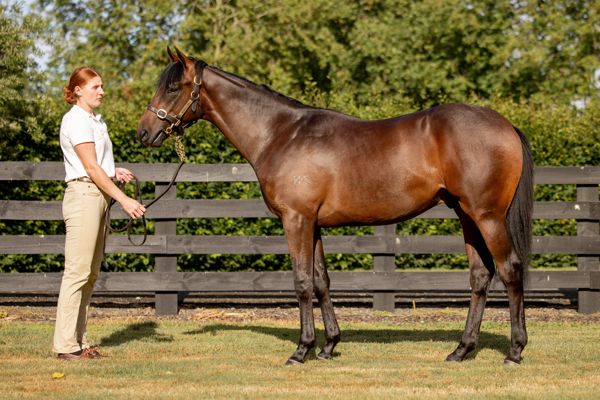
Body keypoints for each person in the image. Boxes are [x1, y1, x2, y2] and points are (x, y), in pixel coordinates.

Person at [53, 66, 146, 361]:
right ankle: (65, 345)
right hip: (84, 196)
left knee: (90, 274)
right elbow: (90, 168)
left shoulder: (95, 120)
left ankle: (79, 342)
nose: (102, 91)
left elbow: (96, 164)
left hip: (97, 196)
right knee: (77, 273)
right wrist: (124, 200)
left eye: (101, 86)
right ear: (78, 90)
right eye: (95, 87)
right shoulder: (76, 120)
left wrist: (113, 170)